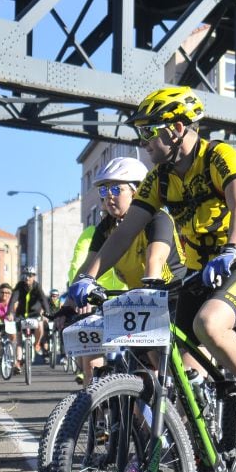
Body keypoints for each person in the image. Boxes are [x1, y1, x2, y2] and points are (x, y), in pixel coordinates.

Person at [69, 86, 236, 439]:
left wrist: (230, 250)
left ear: (176, 128)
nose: (144, 141)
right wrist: (85, 279)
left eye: (149, 131)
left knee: (209, 324)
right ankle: (196, 454)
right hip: (202, 274)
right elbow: (122, 235)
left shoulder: (220, 156)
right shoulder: (159, 178)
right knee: (175, 366)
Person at [67, 156, 187, 386]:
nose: (108, 196)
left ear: (137, 191)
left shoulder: (158, 218)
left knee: (174, 380)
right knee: (141, 388)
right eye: (103, 190)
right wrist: (69, 302)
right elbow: (90, 266)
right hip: (141, 304)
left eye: (115, 189)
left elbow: (155, 259)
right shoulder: (107, 226)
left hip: (173, 297)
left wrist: (149, 284)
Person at [9, 267, 50, 372]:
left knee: (40, 325)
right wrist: (10, 313)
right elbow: (13, 299)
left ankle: (37, 343)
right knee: (18, 340)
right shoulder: (19, 286)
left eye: (30, 275)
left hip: (33, 314)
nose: (27, 277)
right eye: (26, 275)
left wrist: (47, 312)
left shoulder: (37, 286)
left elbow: (43, 299)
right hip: (21, 315)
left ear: (34, 277)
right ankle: (18, 362)